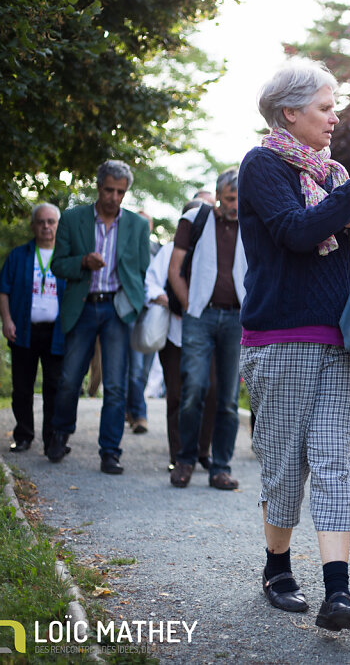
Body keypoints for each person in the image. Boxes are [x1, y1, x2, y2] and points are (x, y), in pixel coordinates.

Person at [238, 57, 350, 631]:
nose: (334, 118)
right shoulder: (262, 165)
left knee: (333, 461)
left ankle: (339, 593)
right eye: (325, 108)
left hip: (338, 338)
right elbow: (296, 233)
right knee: (284, 464)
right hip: (279, 338)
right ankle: (278, 568)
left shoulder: (328, 173)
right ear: (290, 112)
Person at [49, 159, 150, 475]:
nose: (114, 197)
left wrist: (133, 303)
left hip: (117, 309)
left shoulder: (137, 225)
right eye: (109, 190)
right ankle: (61, 432)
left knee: (116, 385)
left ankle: (110, 451)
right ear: (98, 187)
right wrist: (82, 262)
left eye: (120, 192)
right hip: (83, 305)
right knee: (69, 378)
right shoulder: (73, 219)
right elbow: (57, 266)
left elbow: (142, 269)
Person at [168, 167, 245, 491]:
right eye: (230, 198)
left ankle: (220, 467)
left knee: (228, 398)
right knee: (194, 389)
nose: (236, 205)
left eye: (241, 198)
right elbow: (175, 269)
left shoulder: (253, 223)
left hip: (236, 319)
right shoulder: (195, 220)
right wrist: (190, 307)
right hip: (200, 317)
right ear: (217, 196)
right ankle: (185, 460)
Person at [143, 209, 216, 471]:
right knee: (176, 394)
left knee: (210, 391)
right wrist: (166, 299)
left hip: (210, 335)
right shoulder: (170, 250)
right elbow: (151, 283)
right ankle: (178, 454)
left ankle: (202, 451)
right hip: (175, 332)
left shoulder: (219, 245)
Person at [0, 203, 66, 455]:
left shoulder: (66, 256)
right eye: (41, 222)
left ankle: (53, 440)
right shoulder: (19, 255)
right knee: (22, 387)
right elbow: (2, 289)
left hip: (57, 333)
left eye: (51, 222)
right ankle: (23, 435)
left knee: (54, 388)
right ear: (33, 225)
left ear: (58, 225)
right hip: (23, 330)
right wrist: (7, 320)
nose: (46, 226)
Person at [125, 211, 159, 434]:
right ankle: (140, 415)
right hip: (132, 313)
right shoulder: (125, 248)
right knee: (135, 368)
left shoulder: (158, 249)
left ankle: (130, 407)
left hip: (153, 315)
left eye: (146, 224)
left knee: (145, 370)